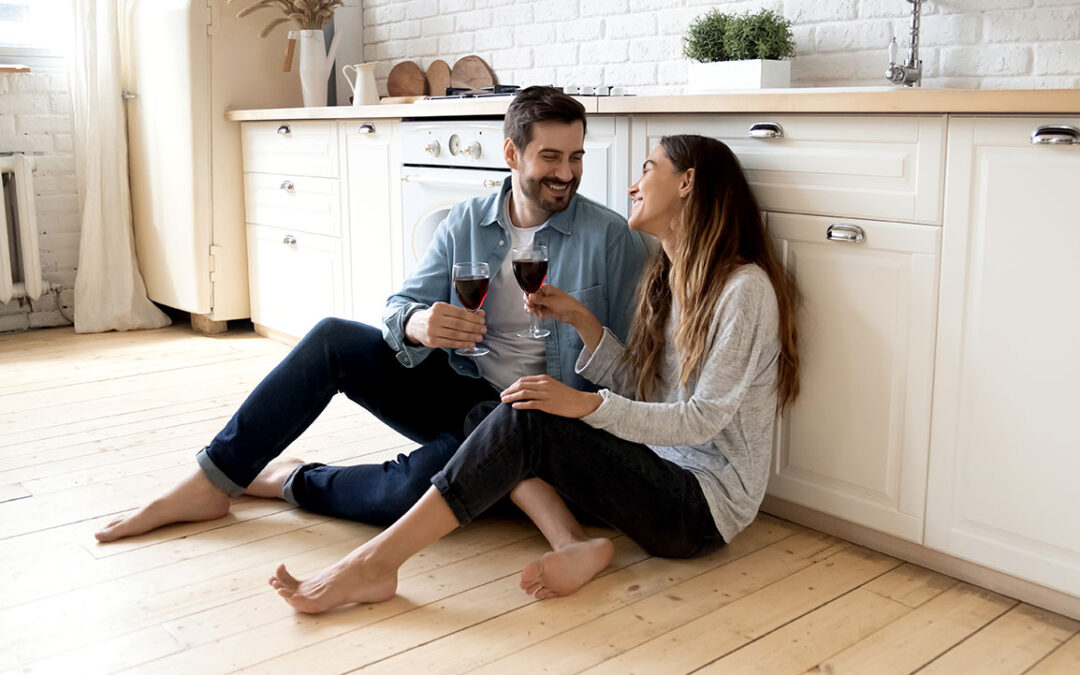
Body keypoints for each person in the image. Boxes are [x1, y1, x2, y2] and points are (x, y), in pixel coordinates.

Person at [264, 134, 802, 613]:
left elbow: (702, 420)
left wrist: (585, 404)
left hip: (701, 508)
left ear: (687, 183)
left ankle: (375, 564)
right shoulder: (666, 278)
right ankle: (570, 542)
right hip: (655, 471)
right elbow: (645, 389)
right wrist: (581, 319)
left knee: (527, 419)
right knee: (499, 408)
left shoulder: (743, 288)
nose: (635, 186)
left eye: (648, 168)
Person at [94, 86, 649, 542]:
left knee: (410, 495)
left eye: (575, 157)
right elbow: (399, 308)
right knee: (334, 339)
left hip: (537, 418)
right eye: (550, 157)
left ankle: (292, 480)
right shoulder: (465, 223)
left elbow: (635, 367)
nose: (566, 173)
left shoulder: (609, 238)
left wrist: (581, 328)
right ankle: (211, 479)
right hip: (464, 390)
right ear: (511, 155)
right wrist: (419, 325)